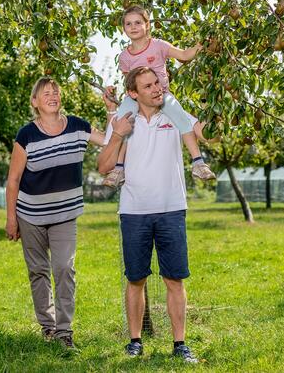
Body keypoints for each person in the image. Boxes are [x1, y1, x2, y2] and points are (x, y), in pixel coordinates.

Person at [5, 77, 119, 350]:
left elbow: (108, 141)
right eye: (45, 93)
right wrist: (11, 219)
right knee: (38, 270)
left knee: (64, 268)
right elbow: (13, 180)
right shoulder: (26, 135)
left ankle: (64, 331)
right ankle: (48, 325)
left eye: (55, 91)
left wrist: (111, 111)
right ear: (35, 102)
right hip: (30, 213)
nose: (52, 95)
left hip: (65, 213)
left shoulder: (78, 126)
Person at [98, 66, 200, 363]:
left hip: (171, 209)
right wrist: (117, 135)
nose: (157, 89)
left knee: (175, 280)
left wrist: (219, 113)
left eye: (158, 83)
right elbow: (103, 166)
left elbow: (203, 134)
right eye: (148, 86)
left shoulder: (173, 110)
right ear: (133, 93)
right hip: (134, 211)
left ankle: (180, 344)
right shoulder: (122, 119)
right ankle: (134, 342)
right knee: (136, 279)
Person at [102, 5, 215, 188]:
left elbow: (184, 55)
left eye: (138, 22)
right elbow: (128, 82)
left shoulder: (159, 46)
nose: (133, 27)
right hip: (135, 97)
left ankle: (198, 162)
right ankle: (118, 168)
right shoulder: (124, 56)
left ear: (147, 25)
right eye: (128, 24)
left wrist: (200, 45)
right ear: (123, 28)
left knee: (181, 118)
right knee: (123, 124)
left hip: (162, 95)